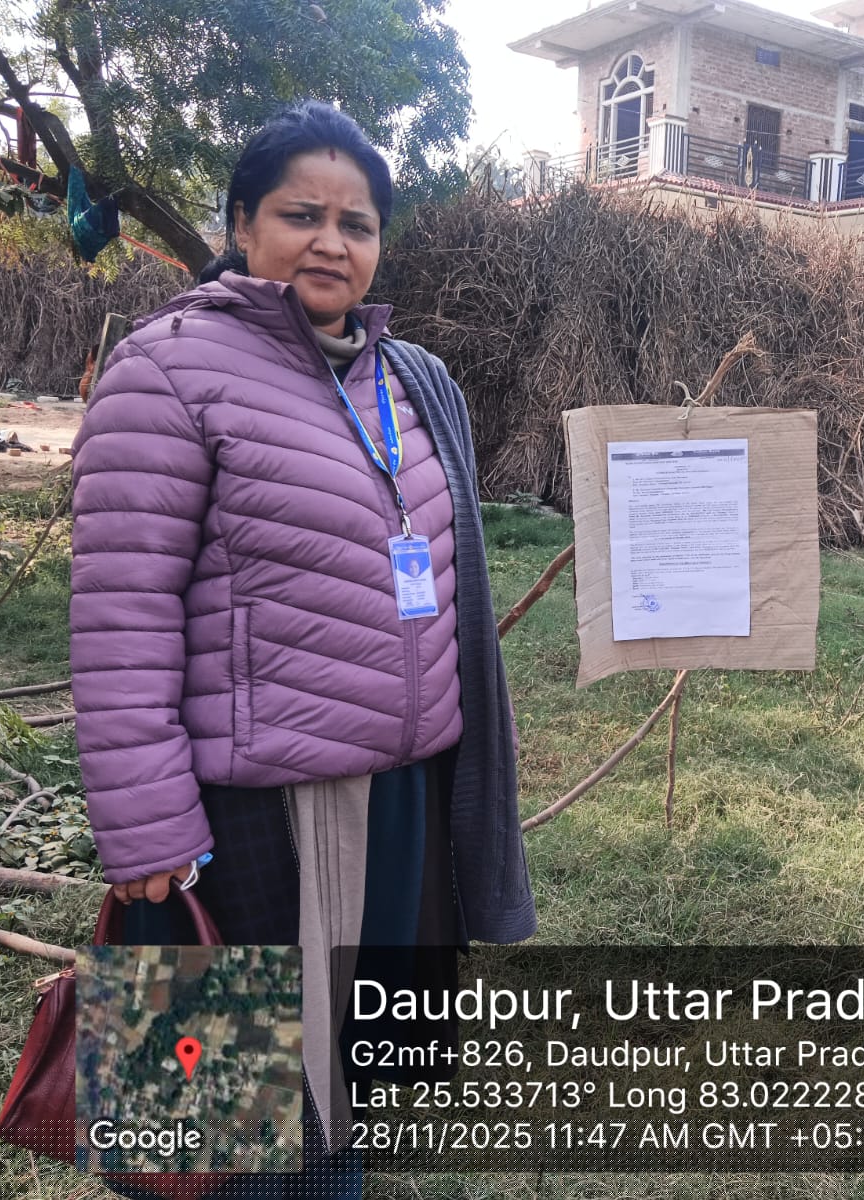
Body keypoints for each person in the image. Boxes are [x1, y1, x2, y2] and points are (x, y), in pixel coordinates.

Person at [70, 100, 536, 1195]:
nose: (332, 242)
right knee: (230, 1112)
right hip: (257, 806)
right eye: (301, 214)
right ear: (241, 224)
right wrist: (146, 826)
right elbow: (121, 617)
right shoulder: (167, 371)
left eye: (356, 223)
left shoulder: (405, 380)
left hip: (401, 795)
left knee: (345, 1080)